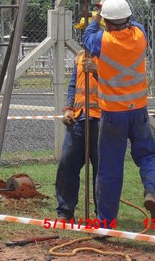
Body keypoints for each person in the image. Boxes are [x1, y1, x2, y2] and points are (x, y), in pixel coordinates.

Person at [82, 0, 155, 228]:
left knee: (110, 168)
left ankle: (106, 223)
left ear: (108, 22)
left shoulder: (102, 42)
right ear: (128, 19)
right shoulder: (140, 36)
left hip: (113, 115)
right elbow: (133, 20)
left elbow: (88, 34)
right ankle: (150, 190)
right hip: (138, 110)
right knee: (148, 155)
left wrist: (100, 10)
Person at [55, 48, 101, 222]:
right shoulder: (81, 56)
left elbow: (117, 86)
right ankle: (65, 212)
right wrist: (69, 109)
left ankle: (103, 215)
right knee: (67, 164)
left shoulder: (112, 55)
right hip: (79, 118)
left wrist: (97, 72)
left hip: (102, 119)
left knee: (101, 169)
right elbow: (74, 84)